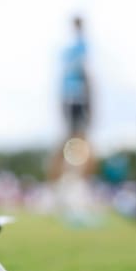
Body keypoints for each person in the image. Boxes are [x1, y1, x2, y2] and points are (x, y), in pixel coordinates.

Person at [48, 16, 94, 180]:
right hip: (74, 98)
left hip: (73, 97)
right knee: (75, 136)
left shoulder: (74, 47)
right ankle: (67, 176)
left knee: (76, 137)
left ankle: (72, 175)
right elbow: (85, 75)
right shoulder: (77, 47)